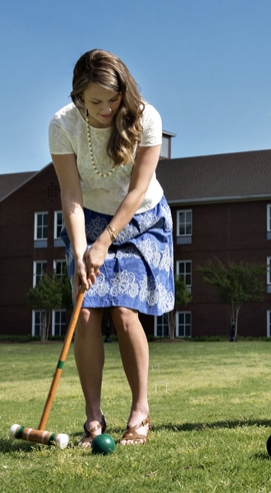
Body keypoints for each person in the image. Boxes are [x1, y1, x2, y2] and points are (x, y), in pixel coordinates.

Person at [49, 49, 174, 447]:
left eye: (112, 99)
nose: (105, 109)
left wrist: (104, 242)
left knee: (123, 310)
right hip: (88, 219)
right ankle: (93, 418)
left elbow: (138, 190)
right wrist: (83, 248)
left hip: (141, 219)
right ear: (78, 98)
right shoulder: (62, 125)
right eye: (94, 101)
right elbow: (71, 195)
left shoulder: (146, 117)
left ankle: (140, 412)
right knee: (86, 313)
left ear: (125, 90)